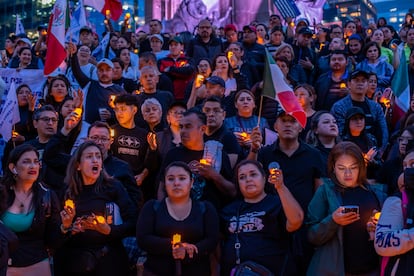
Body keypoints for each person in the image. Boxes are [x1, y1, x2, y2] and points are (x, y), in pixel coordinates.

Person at [53, 141, 136, 276]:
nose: (95, 160)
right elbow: (54, 235)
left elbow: (132, 222)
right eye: (89, 156)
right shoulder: (66, 192)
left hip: (108, 259)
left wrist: (109, 230)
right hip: (76, 261)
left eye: (98, 156)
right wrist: (68, 228)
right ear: (78, 165)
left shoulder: (113, 187)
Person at [307, 141, 386, 276]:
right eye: (342, 168)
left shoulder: (377, 194)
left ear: (361, 167)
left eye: (353, 167)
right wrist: (332, 221)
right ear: (333, 168)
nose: (348, 173)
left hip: (373, 269)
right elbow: (311, 235)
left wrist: (379, 227)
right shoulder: (326, 192)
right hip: (336, 270)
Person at [220, 159, 304, 275]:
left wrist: (280, 187)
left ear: (264, 178)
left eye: (253, 174)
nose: (248, 179)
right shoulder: (228, 210)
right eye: (242, 177)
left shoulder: (277, 203)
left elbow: (296, 221)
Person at [136, 161, 219, 275]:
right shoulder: (152, 207)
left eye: (182, 178)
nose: (176, 183)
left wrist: (189, 250)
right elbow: (143, 239)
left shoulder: (205, 209)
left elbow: (212, 240)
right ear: (164, 183)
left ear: (191, 182)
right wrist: (174, 245)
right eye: (170, 179)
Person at [1, 144, 61, 275]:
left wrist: (65, 226)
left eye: (36, 161)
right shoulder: (2, 193)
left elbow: (53, 239)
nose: (33, 166)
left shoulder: (47, 195)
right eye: (26, 161)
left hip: (38, 264)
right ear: (13, 168)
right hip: (6, 266)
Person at [374, 149, 414, 275]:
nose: (407, 170)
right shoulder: (397, 200)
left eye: (413, 165)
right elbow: (381, 242)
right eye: (404, 166)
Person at [225, 89, 269, 158]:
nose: (245, 102)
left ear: (254, 104)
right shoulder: (227, 122)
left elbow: (268, 143)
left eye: (249, 99)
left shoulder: (262, 121)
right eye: (242, 100)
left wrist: (255, 144)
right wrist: (233, 140)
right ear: (236, 104)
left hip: (257, 157)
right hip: (234, 156)